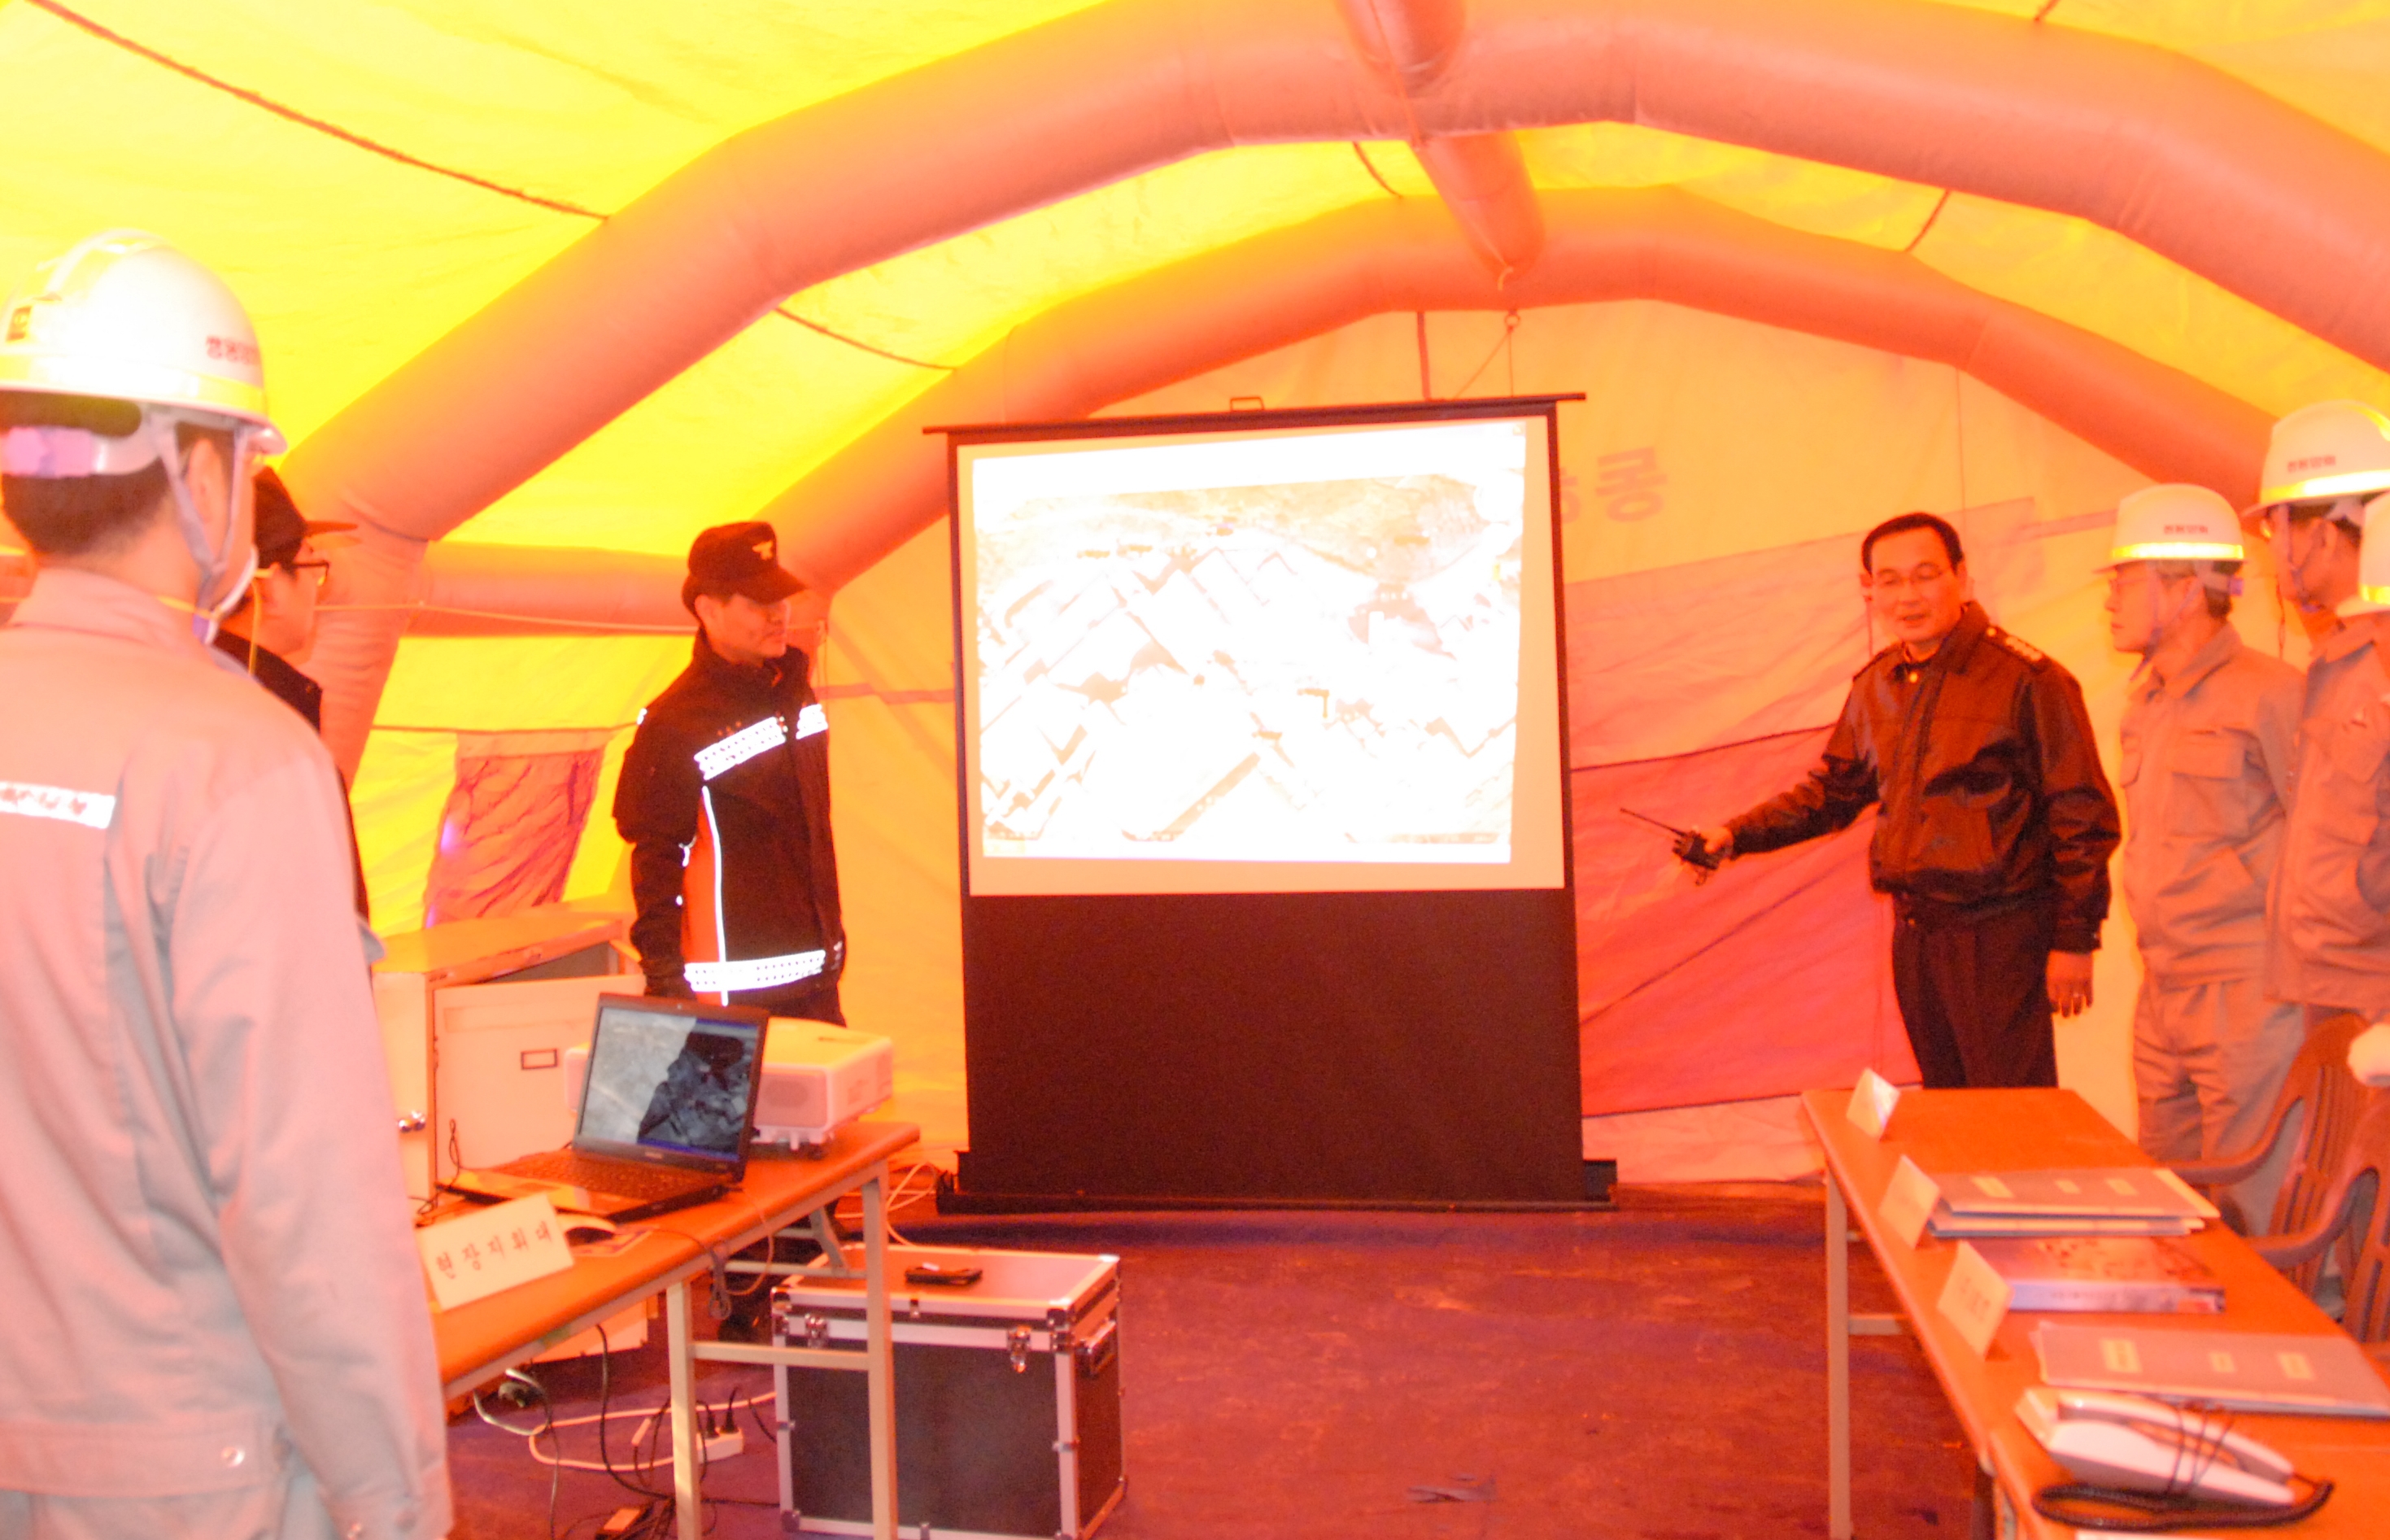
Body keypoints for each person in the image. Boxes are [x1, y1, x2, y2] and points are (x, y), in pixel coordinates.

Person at [0, 232, 448, 1536]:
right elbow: (308, 1204)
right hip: (194, 1474)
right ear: (205, 470)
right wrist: (396, 1500)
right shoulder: (237, 762)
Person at [1684, 512, 2120, 1088]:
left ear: (1961, 576)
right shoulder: (1877, 684)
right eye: (1889, 581)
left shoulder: (2028, 680)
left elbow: (2081, 815)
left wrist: (2075, 938)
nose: (1907, 596)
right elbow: (1833, 794)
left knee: (2013, 1111)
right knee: (1947, 1104)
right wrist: (1736, 834)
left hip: (1999, 933)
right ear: (1868, 590)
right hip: (1915, 932)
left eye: (1925, 575)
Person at [2099, 485, 2303, 1225]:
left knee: (2259, 1210)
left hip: (2249, 993)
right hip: (2163, 988)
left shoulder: (2272, 694)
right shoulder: (2145, 703)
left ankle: (2293, 1306)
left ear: (2185, 589)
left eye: (2125, 580)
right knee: (2171, 1207)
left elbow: (2328, 840)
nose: (2110, 600)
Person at [615, 520, 846, 1021]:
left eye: (780, 599)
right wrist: (665, 982)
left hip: (818, 985)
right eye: (758, 603)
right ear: (707, 609)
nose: (778, 615)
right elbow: (655, 859)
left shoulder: (792, 688)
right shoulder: (675, 722)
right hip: (733, 1003)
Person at [2251, 403, 2390, 1026]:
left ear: (2325, 536)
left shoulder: (2377, 663)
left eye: (2275, 528)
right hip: (2339, 988)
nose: (2272, 550)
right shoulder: (2337, 662)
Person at [214, 465, 349, 729]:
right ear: (270, 587)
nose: (317, 588)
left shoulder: (182, 671)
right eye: (312, 567)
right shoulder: (269, 711)